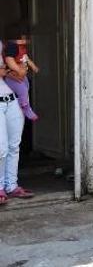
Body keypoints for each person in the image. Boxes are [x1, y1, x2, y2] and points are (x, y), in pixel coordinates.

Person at [0, 39, 35, 205]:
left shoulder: (5, 46)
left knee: (14, 145)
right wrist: (9, 71)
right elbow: (14, 70)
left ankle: (11, 186)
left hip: (12, 100)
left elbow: (22, 70)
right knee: (1, 147)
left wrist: (9, 70)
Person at [3, 33, 40, 121]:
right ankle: (25, 107)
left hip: (21, 77)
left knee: (26, 87)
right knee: (22, 90)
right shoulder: (12, 47)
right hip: (12, 77)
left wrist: (34, 67)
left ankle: (22, 105)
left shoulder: (22, 50)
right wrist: (19, 70)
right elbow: (9, 61)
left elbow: (27, 59)